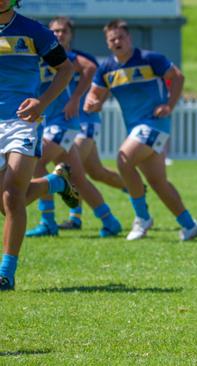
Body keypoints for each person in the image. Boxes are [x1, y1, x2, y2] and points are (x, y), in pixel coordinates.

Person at [84, 19, 197, 241]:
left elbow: (177, 76)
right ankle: (189, 225)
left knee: (123, 159)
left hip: (155, 123)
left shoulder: (150, 59)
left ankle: (142, 217)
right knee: (158, 182)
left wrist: (169, 105)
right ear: (107, 43)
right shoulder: (106, 69)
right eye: (112, 39)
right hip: (136, 129)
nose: (117, 41)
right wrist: (91, 103)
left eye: (121, 37)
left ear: (129, 38)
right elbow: (94, 95)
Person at [0, 0, 80, 290]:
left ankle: (6, 274)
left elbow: (66, 69)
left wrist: (42, 103)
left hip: (23, 120)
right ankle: (55, 183)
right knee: (5, 204)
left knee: (11, 197)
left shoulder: (34, 31)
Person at [26, 16, 122, 238]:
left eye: (63, 31)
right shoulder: (38, 55)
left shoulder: (65, 56)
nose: (58, 35)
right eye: (54, 32)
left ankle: (48, 221)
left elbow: (89, 68)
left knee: (36, 161)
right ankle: (110, 221)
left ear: (70, 35)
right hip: (50, 123)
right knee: (78, 178)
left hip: (64, 123)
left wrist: (75, 99)